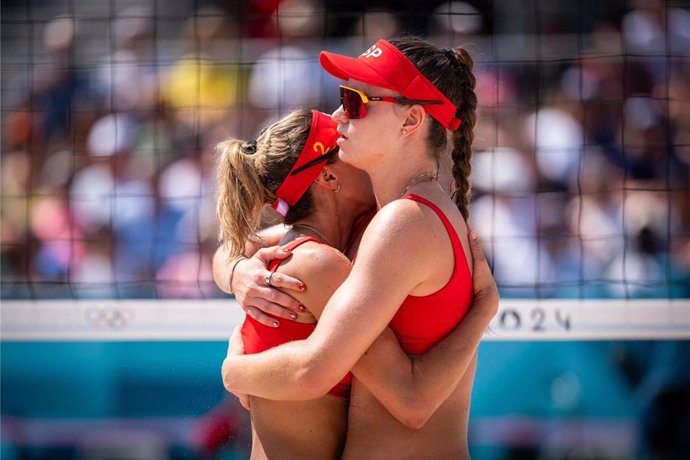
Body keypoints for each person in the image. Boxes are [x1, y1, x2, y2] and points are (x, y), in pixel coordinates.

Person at [221, 36, 482, 459]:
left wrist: (232, 373)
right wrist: (237, 272)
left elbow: (397, 400)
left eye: (357, 100)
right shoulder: (385, 218)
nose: (339, 114)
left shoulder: (403, 222)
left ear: (411, 120)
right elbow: (242, 245)